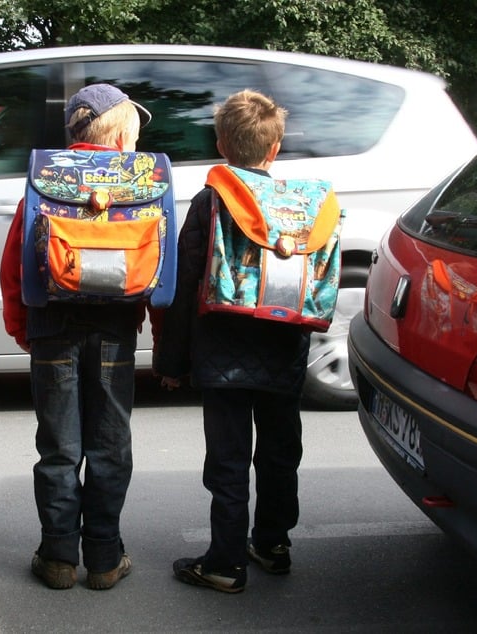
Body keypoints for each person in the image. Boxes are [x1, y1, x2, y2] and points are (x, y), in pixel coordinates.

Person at [154, 89, 310, 594]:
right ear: (276, 148)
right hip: (284, 348)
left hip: (222, 352)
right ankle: (272, 543)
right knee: (280, 452)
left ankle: (224, 562)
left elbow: (183, 288)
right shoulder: (296, 207)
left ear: (221, 144)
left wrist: (171, 361)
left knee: (228, 460)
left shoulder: (210, 202)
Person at [0, 84, 152, 590]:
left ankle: (59, 557)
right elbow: (158, 260)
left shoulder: (47, 178)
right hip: (114, 328)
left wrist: (24, 328)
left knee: (59, 447)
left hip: (53, 330)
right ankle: (105, 559)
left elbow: (16, 262)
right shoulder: (139, 182)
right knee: (110, 446)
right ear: (120, 131)